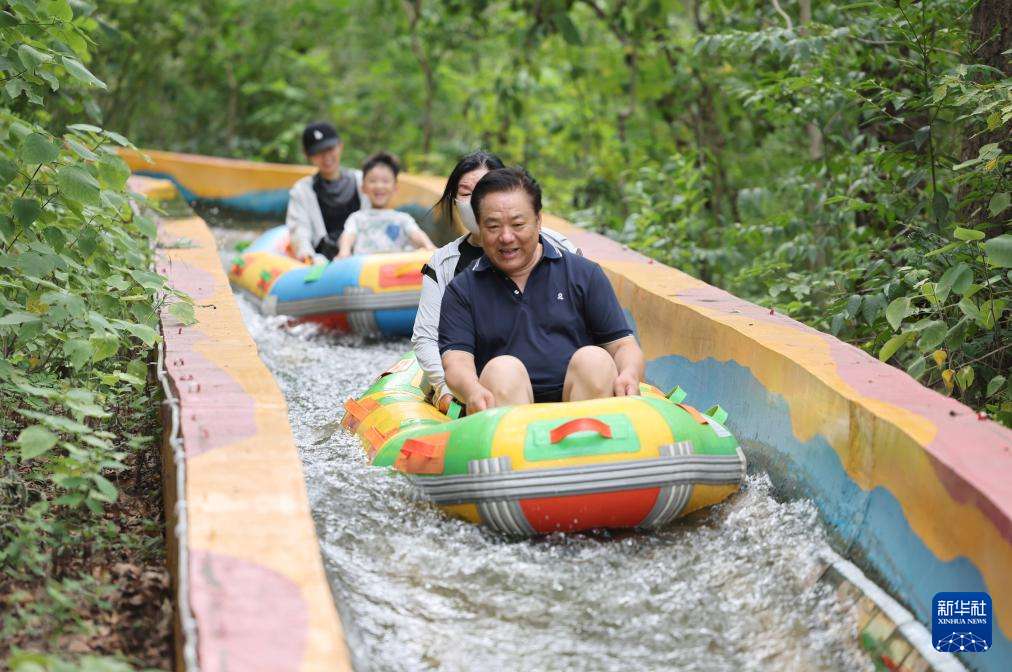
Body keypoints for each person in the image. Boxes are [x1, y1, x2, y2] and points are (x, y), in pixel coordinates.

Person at [438, 167, 644, 413]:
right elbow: (457, 361)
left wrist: (629, 374)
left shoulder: (583, 274)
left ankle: (591, 437)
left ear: (538, 221)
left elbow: (623, 345)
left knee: (595, 359)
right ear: (479, 228)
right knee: (503, 369)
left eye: (517, 224)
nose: (506, 237)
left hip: (581, 405)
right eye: (493, 227)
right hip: (505, 411)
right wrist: (472, 390)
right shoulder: (462, 289)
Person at [410, 151, 578, 411]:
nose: (476, 200)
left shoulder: (559, 249)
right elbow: (427, 337)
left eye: (484, 188)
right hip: (481, 385)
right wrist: (447, 387)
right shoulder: (446, 266)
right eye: (466, 192)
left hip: (556, 380)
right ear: (454, 199)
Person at [285, 122, 369, 262]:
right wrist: (307, 256)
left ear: (340, 146)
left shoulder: (363, 181)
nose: (326, 157)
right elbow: (299, 230)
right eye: (317, 152)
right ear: (307, 155)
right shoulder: (302, 190)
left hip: (361, 258)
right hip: (321, 261)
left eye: (330, 148)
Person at [336, 152, 436, 257]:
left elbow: (416, 233)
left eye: (385, 181)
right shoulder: (357, 218)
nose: (379, 186)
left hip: (396, 266)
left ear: (395, 188)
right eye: (373, 181)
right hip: (366, 265)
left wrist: (429, 246)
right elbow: (348, 235)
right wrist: (344, 251)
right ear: (363, 188)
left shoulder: (403, 219)